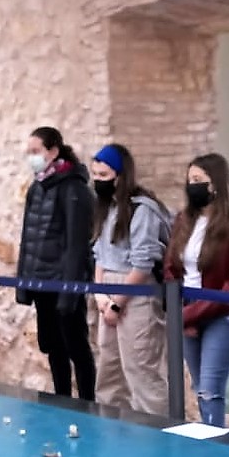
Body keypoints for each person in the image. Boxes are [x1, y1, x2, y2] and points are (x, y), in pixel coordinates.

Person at [164, 154, 229, 426]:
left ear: (216, 183)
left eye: (198, 180)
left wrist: (189, 315)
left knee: (210, 389)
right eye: (190, 180)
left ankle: (214, 443)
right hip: (187, 309)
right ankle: (206, 438)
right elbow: (171, 265)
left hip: (221, 314)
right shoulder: (184, 220)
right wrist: (178, 307)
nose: (192, 185)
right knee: (198, 387)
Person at [88, 144, 171, 415]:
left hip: (135, 293)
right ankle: (111, 430)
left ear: (120, 176)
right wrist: (101, 296)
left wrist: (117, 303)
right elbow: (99, 254)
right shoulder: (106, 208)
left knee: (140, 368)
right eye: (95, 175)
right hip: (108, 290)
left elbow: (142, 263)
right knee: (109, 369)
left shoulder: (142, 209)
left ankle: (154, 432)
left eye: (103, 175)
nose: (98, 181)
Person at [17, 126, 97, 401]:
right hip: (41, 282)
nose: (31, 156)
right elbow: (28, 237)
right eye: (29, 152)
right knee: (52, 346)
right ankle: (61, 400)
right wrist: (24, 282)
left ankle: (86, 403)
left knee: (76, 346)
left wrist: (69, 291)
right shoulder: (37, 188)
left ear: (53, 151)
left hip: (63, 282)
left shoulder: (74, 189)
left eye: (36, 151)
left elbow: (77, 244)